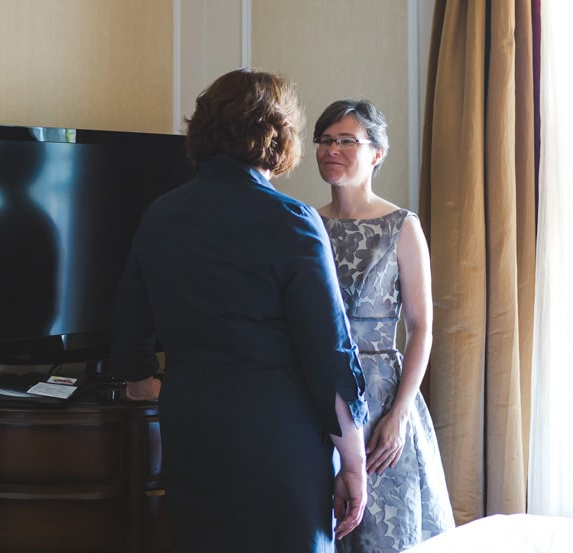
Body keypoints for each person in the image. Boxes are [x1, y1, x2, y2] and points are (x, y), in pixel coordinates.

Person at [110, 68, 369, 553]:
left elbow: (129, 338)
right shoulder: (292, 221)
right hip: (276, 439)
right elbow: (329, 355)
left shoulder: (159, 214)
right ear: (277, 137)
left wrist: (154, 386)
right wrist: (353, 463)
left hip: (191, 433)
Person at [311, 99, 455, 553]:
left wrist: (398, 414)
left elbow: (421, 328)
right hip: (314, 391)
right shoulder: (306, 223)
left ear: (377, 153)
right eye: (326, 140)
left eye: (346, 140)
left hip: (381, 397)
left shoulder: (401, 227)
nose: (332, 149)